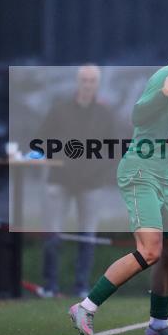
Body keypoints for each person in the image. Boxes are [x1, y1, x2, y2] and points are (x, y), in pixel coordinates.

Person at [69, 27, 168, 335]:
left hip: (163, 174)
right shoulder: (165, 78)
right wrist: (163, 93)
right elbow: (138, 116)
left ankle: (157, 325)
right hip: (139, 171)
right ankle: (85, 306)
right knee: (150, 251)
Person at [38, 64, 116, 299]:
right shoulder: (60, 109)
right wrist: (56, 157)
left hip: (91, 182)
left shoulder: (104, 114)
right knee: (53, 234)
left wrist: (99, 170)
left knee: (87, 235)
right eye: (84, 80)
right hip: (60, 179)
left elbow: (112, 148)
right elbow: (42, 139)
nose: (88, 84)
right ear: (77, 82)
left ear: (98, 83)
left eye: (92, 80)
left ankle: (81, 285)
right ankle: (50, 285)